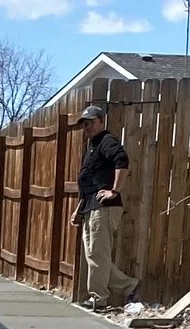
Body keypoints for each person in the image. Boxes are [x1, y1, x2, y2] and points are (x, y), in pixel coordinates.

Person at [68, 103, 137, 309]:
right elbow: (89, 183)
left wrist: (114, 191)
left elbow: (122, 161)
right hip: (91, 206)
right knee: (93, 254)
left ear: (101, 122)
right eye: (84, 124)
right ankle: (129, 286)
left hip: (105, 207)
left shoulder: (107, 141)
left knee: (98, 254)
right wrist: (78, 210)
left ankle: (98, 298)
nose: (87, 127)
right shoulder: (92, 146)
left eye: (91, 122)